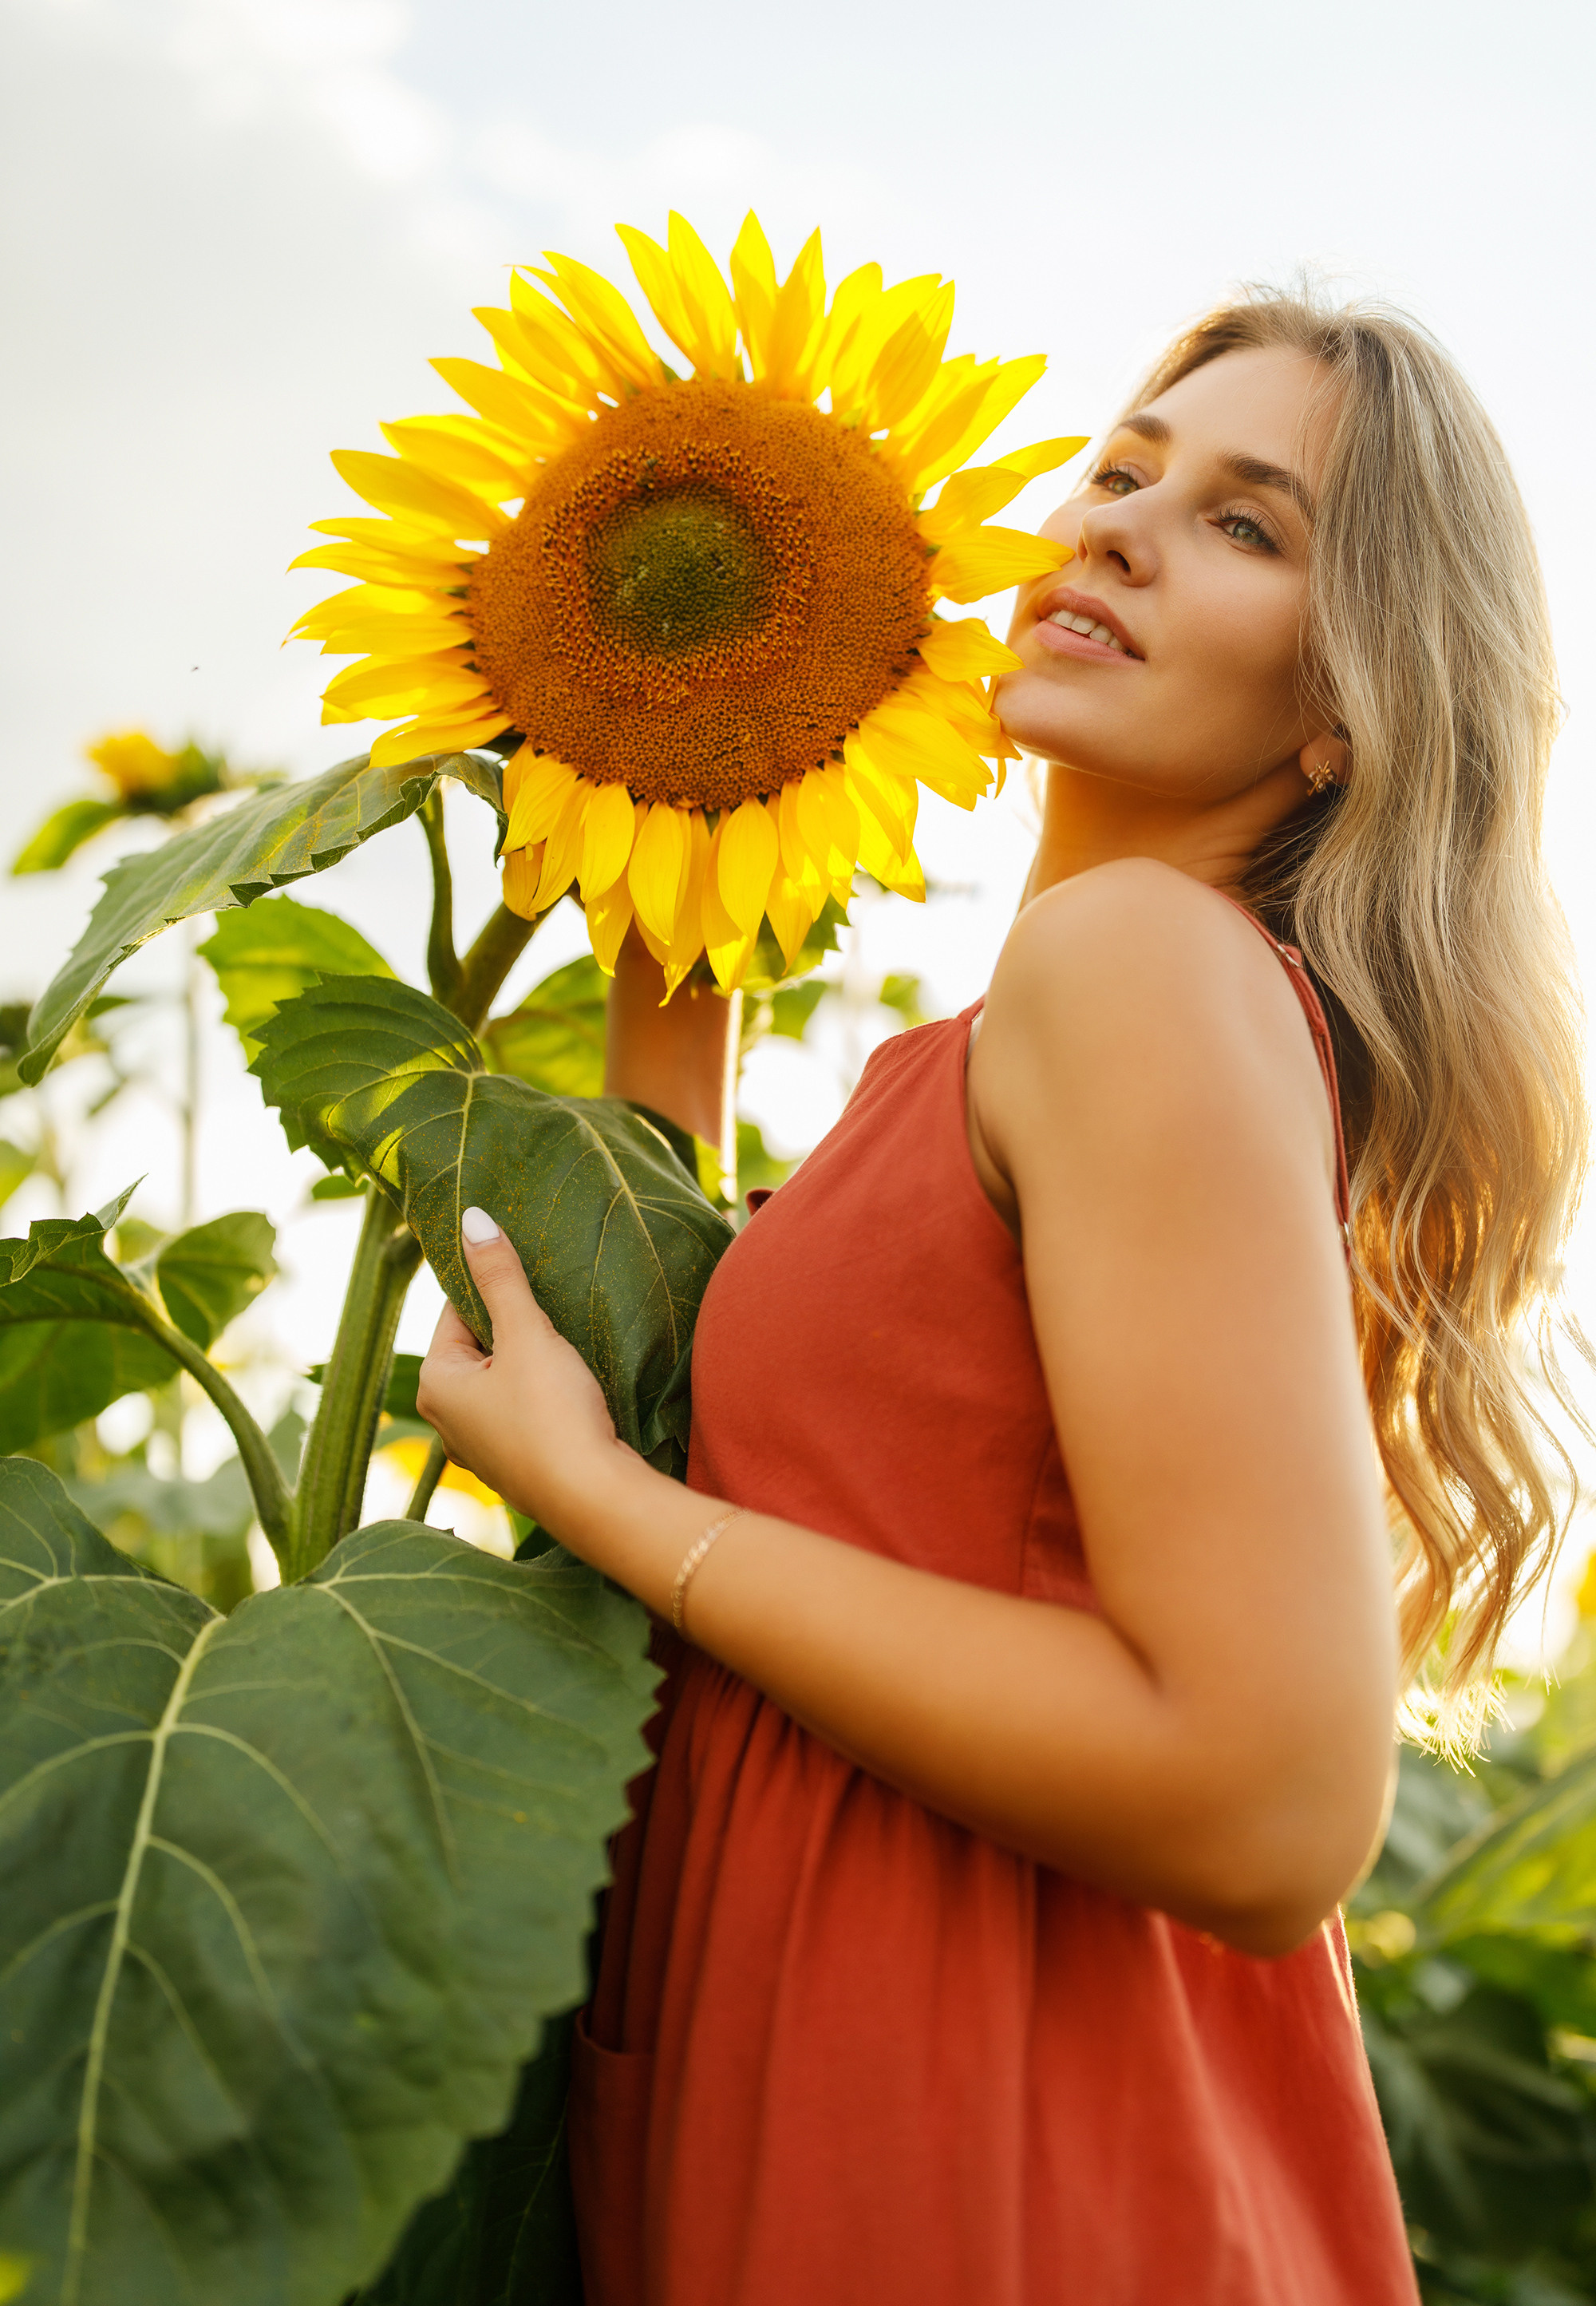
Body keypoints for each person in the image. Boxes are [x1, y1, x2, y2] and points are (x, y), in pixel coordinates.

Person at [416, 287, 1587, 2306]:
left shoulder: (1137, 963)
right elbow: (855, 1480)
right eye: (1121, 471)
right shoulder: (1018, 1034)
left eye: (1244, 522)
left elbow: (1267, 1791)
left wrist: (613, 1504)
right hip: (892, 2069)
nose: (1115, 523)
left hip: (981, 2127)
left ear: (1346, 704)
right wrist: (668, 820)